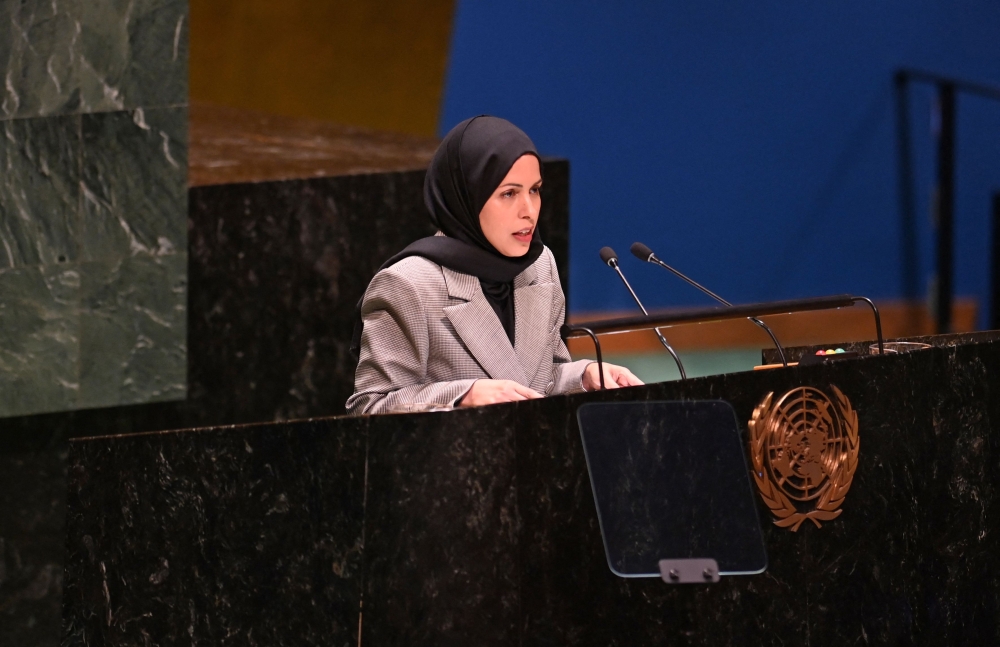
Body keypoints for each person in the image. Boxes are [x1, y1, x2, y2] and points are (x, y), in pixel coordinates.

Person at [346, 116, 642, 415]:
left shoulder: (540, 266)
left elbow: (540, 381)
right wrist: (464, 396)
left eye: (535, 190)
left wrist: (584, 376)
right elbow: (370, 407)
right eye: (509, 193)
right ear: (468, 197)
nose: (529, 211)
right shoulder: (408, 284)